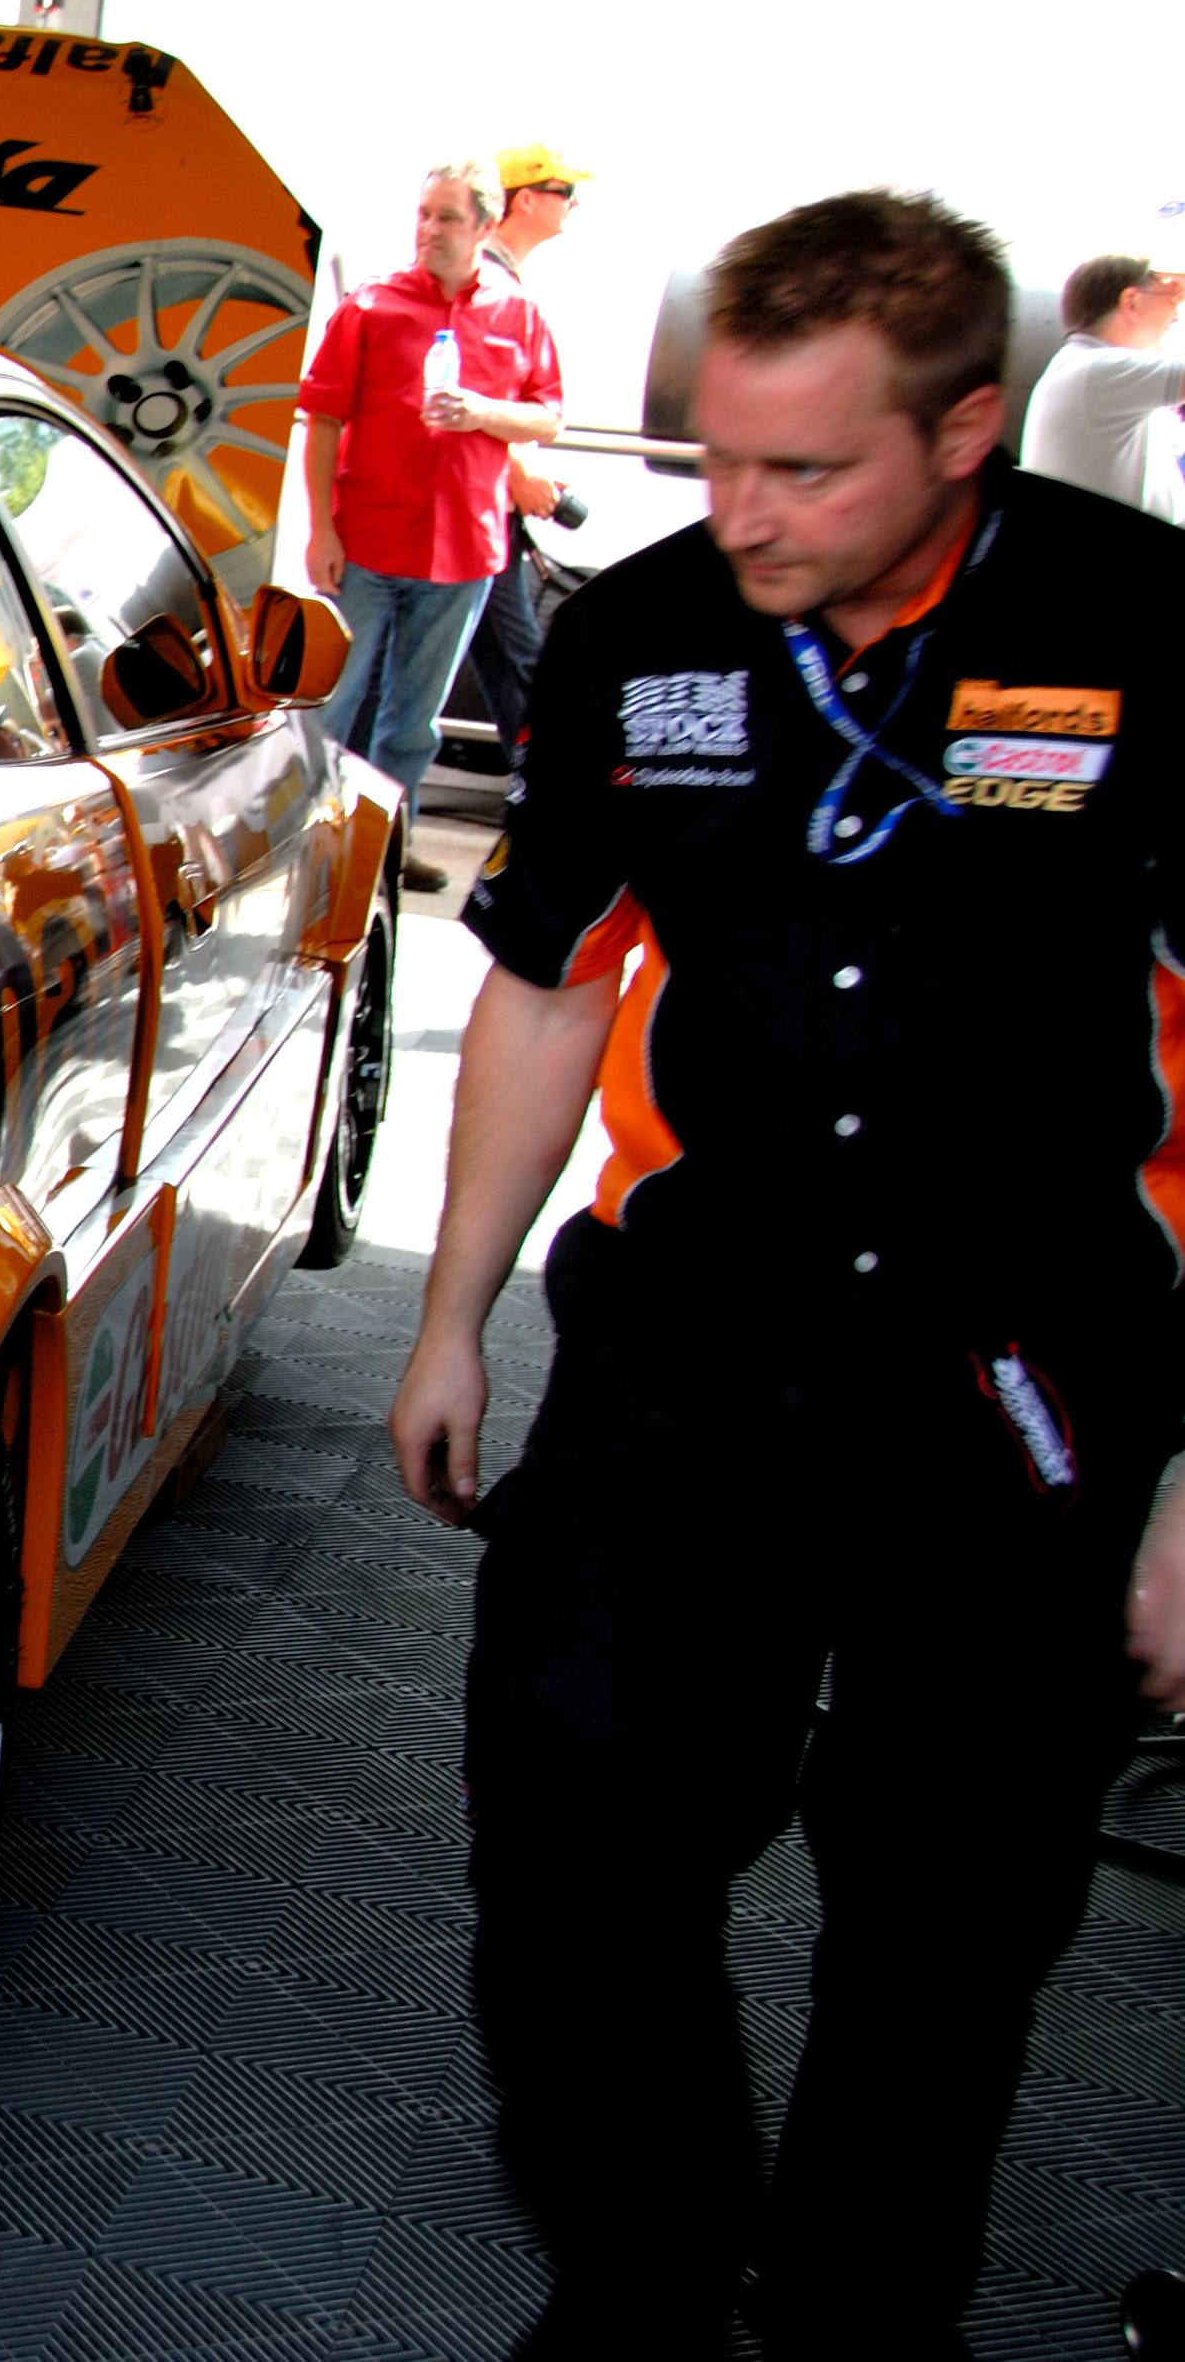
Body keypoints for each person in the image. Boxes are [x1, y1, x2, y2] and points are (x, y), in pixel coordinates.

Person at [391, 187, 1185, 2359]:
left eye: (802, 470)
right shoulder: (639, 633)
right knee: (565, 1807)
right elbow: (547, 979)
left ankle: (855, 2311)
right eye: (717, 455)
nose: (737, 512)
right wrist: (449, 1314)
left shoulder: (1141, 626)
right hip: (688, 1339)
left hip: (1019, 1361)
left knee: (951, 1897)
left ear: (960, 434)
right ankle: (639, 2271)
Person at [298, 159, 566, 889]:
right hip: (365, 545)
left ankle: (385, 848)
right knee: (332, 707)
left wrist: (483, 413)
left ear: (484, 225)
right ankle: (308, 847)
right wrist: (321, 531)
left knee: (413, 722)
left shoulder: (518, 313)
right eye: (423, 214)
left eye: (446, 217)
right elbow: (322, 420)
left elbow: (546, 415)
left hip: (463, 554)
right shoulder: (371, 306)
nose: (429, 230)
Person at [467, 144, 595, 751]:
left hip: (480, 506)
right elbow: (473, 396)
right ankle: (548, 789)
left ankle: (538, 786)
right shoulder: (491, 286)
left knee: (500, 662)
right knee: (519, 665)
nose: (574, 204)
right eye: (565, 192)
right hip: (481, 509)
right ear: (524, 201)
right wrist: (519, 474)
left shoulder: (494, 279)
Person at [1021, 251, 1185, 523]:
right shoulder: (1098, 371)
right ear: (1132, 302)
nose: (1177, 315)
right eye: (1173, 300)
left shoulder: (1083, 369)